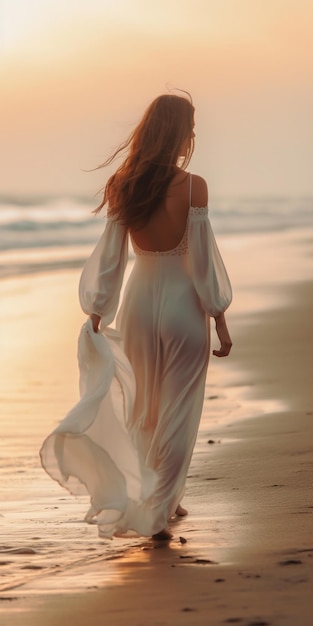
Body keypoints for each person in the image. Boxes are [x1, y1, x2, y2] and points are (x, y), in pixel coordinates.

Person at [40, 93, 232, 541]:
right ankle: (158, 510)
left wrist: (98, 306)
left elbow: (110, 254)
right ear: (179, 133)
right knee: (179, 408)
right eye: (191, 126)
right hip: (184, 307)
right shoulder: (193, 187)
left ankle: (160, 498)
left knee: (145, 407)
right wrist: (218, 313)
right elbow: (200, 261)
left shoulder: (123, 184)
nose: (194, 135)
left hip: (140, 303)